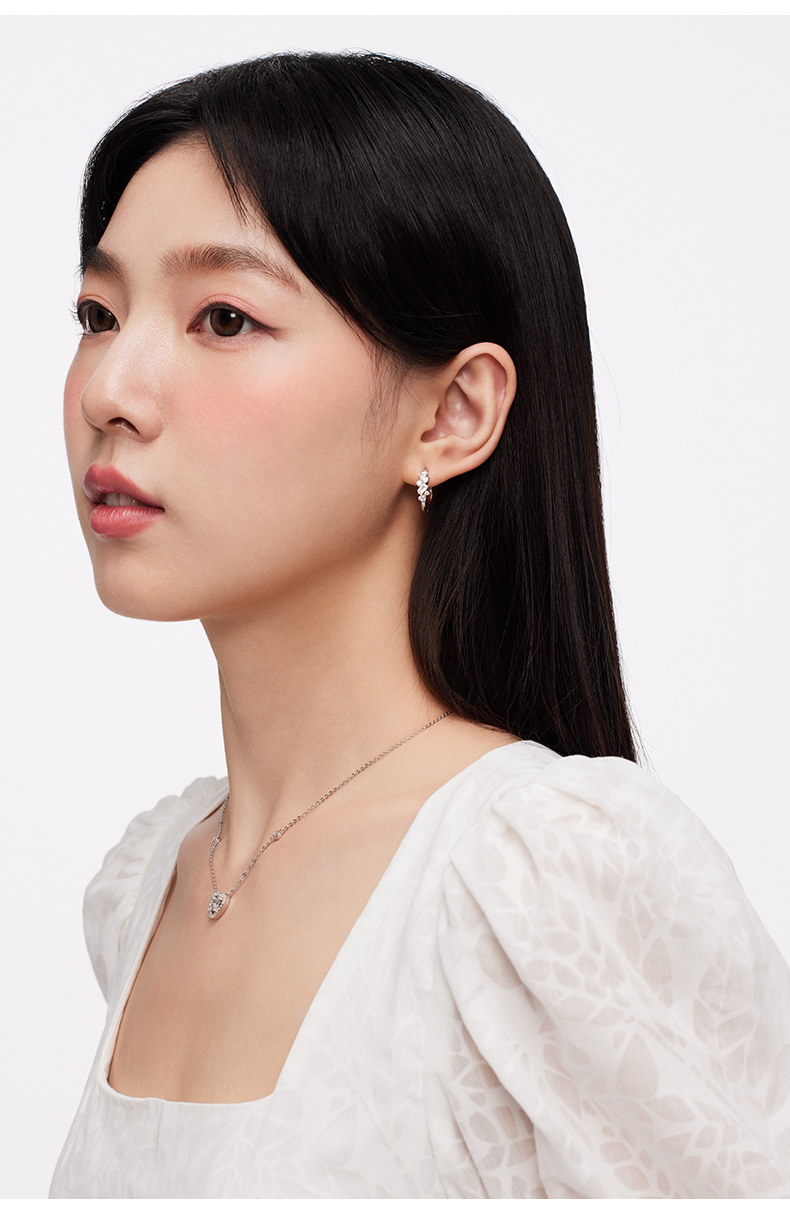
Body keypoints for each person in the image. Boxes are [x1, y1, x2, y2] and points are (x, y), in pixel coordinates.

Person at [50, 52, 790, 1199]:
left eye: (224, 317)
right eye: (99, 314)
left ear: (452, 412)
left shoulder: (536, 877)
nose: (110, 389)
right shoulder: (147, 885)